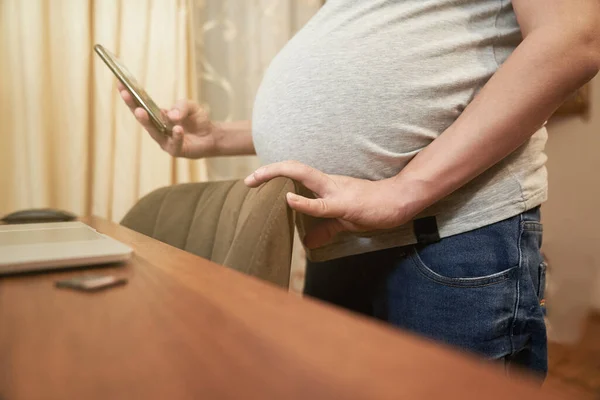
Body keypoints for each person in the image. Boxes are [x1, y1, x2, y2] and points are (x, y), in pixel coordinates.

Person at [119, 0, 600, 376]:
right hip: (342, 240)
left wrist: (404, 190)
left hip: (450, 236)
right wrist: (220, 137)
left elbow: (573, 35)